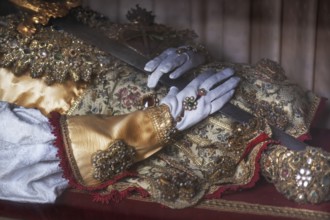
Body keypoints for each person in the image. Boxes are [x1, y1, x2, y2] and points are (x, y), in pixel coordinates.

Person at [0, 2, 329, 208]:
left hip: (162, 81)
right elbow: (14, 148)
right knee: (211, 131)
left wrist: (183, 55)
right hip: (111, 119)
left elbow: (126, 39)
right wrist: (163, 120)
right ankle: (275, 155)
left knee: (239, 86)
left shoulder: (43, 8)